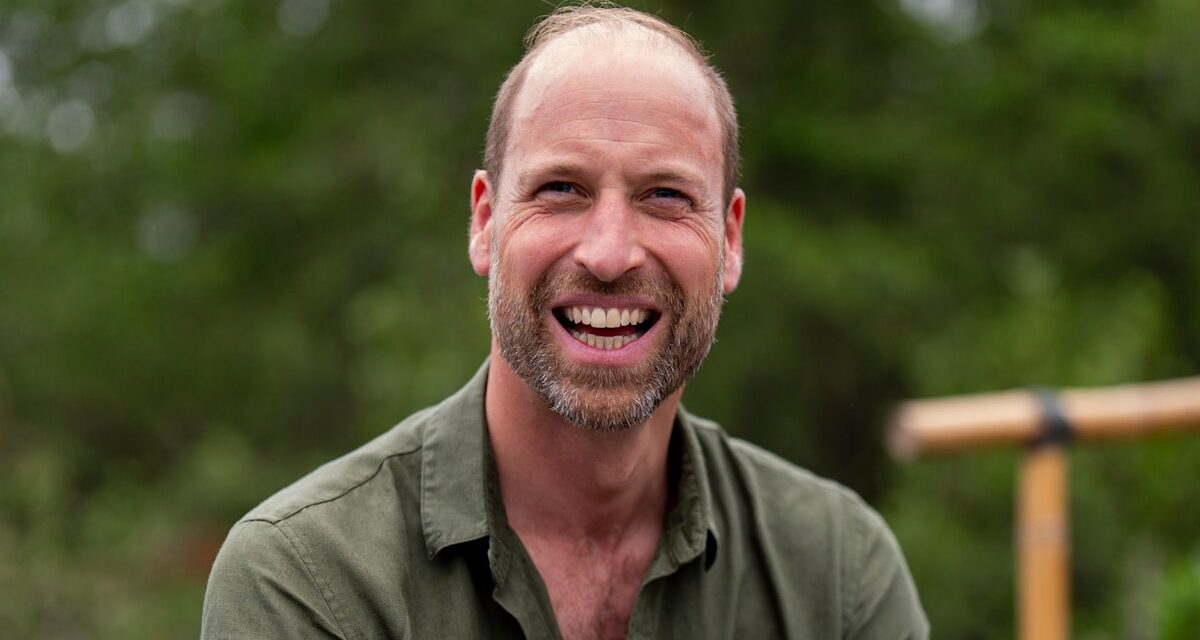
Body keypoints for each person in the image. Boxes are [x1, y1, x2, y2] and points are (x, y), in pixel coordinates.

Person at [201, 5, 928, 639]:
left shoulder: (837, 575)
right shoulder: (308, 578)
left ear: (731, 240)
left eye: (666, 196)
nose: (609, 253)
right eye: (561, 189)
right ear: (485, 223)